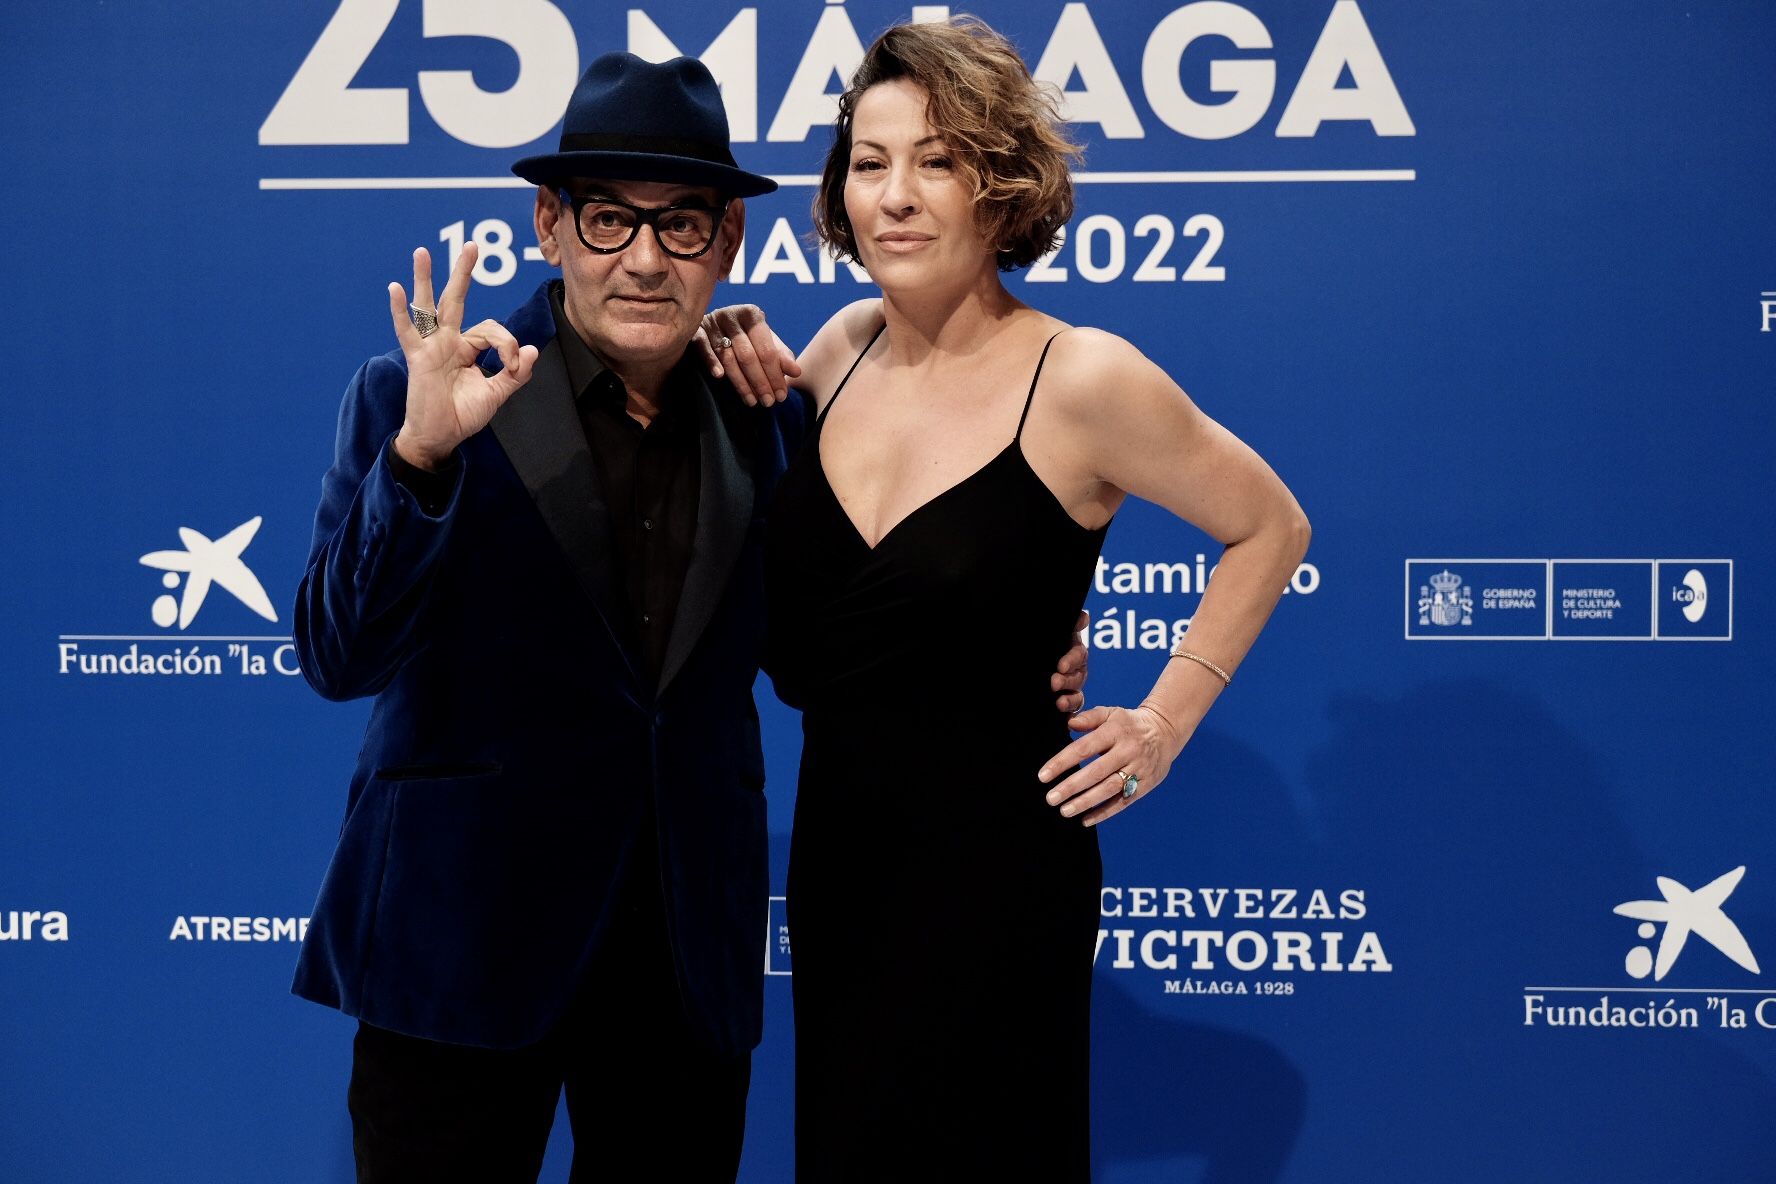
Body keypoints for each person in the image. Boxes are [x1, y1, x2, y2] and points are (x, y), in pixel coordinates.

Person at [291, 50, 1088, 1183]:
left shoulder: (764, 414)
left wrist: (1025, 630)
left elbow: (828, 649)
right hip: (460, 945)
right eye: (611, 220)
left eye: (683, 225)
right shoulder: (423, 394)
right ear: (550, 224)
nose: (646, 260)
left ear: (730, 243)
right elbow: (335, 651)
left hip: (680, 962)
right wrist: (421, 456)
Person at [709, 19, 1312, 1180]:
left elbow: (1270, 524)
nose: (894, 194)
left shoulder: (1082, 377)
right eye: (869, 161)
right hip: (842, 868)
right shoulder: (830, 354)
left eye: (935, 159)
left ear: (1001, 183)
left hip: (1001, 872)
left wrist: (1166, 717)